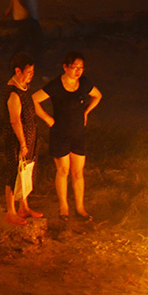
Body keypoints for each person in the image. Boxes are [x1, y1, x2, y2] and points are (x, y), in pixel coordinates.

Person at [32, 52, 102, 221]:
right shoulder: (56, 85)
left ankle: (80, 208)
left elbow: (98, 95)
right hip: (60, 133)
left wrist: (86, 112)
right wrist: (48, 119)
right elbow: (34, 99)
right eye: (74, 67)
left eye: (81, 67)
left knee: (78, 172)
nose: (78, 71)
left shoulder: (84, 83)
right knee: (63, 170)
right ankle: (64, 207)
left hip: (78, 133)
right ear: (65, 67)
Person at [4, 52, 49, 226]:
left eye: (32, 72)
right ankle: (11, 211)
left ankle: (24, 207)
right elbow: (15, 120)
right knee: (14, 173)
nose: (31, 75)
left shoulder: (24, 86)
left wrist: (46, 119)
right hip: (17, 139)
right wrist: (22, 142)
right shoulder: (14, 93)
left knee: (26, 171)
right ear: (18, 71)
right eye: (28, 72)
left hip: (28, 136)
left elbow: (30, 107)